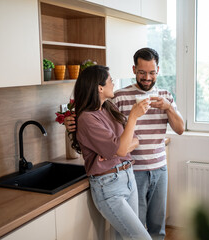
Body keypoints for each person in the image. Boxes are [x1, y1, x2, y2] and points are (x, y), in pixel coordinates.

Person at [66, 48, 184, 239]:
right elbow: (95, 124)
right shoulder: (117, 98)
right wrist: (72, 123)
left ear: (158, 70)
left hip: (153, 168)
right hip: (130, 171)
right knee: (132, 233)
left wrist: (168, 107)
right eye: (142, 72)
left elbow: (180, 129)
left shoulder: (164, 96)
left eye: (152, 72)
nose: (147, 77)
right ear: (134, 69)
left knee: (155, 228)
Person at [70, 64, 152, 240]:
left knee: (123, 237)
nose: (113, 83)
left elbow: (134, 140)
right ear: (100, 88)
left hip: (128, 176)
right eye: (110, 81)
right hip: (108, 185)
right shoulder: (87, 118)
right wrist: (133, 118)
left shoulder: (109, 108)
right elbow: (123, 147)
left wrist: (114, 151)